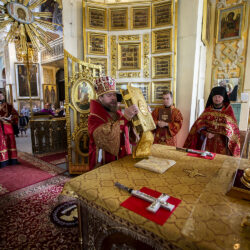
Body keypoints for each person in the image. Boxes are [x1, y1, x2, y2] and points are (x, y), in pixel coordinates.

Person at [88, 76, 139, 170]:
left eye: (114, 95)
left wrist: (139, 116)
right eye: (109, 95)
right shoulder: (94, 117)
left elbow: (127, 132)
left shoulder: (117, 112)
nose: (113, 98)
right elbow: (106, 137)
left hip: (122, 158)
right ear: (100, 98)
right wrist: (126, 118)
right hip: (104, 162)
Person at [184, 86, 240, 157]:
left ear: (223, 97)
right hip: (207, 142)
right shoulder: (208, 111)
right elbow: (197, 127)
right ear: (212, 98)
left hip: (222, 144)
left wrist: (220, 134)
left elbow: (233, 131)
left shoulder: (228, 111)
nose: (217, 99)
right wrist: (206, 133)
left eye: (219, 96)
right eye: (215, 97)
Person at [0, 91, 19, 167]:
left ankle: (12, 160)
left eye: (1, 95)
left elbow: (15, 115)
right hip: (0, 129)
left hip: (7, 126)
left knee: (10, 142)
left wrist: (9, 119)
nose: (0, 97)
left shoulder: (8, 106)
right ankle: (3, 161)